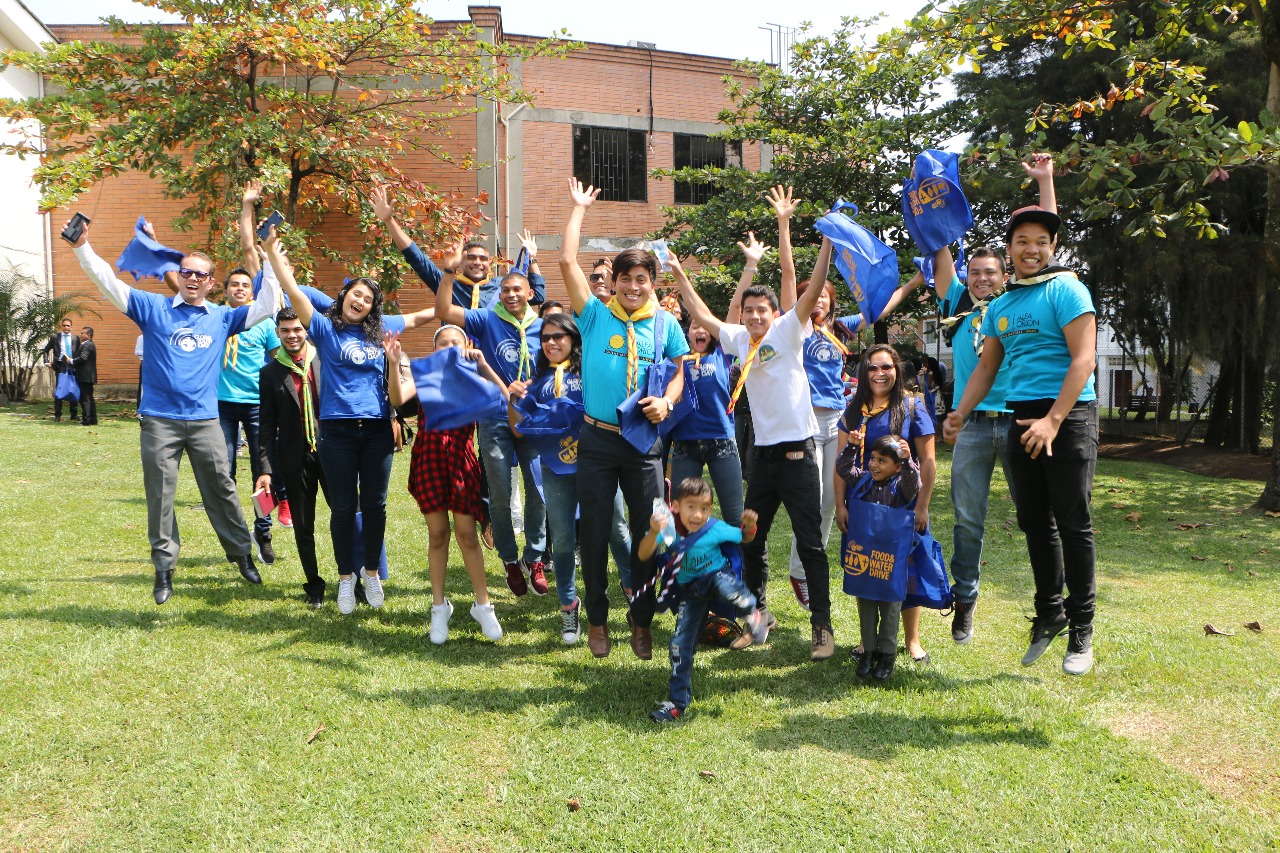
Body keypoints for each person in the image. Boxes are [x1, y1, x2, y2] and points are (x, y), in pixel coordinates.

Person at [67, 219, 279, 604]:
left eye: (201, 274)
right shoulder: (152, 308)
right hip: (160, 421)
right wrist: (83, 246)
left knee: (223, 489)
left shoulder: (222, 317)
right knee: (161, 496)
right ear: (179, 276)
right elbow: (107, 283)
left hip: (205, 422)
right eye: (187, 272)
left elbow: (268, 304)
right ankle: (164, 570)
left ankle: (242, 555)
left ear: (211, 282)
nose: (193, 279)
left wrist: (274, 260)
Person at [897, 153, 1056, 645]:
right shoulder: (956, 303)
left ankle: (1049, 602)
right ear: (968, 276)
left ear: (1006, 275)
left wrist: (1045, 182)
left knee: (1037, 517)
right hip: (970, 426)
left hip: (1016, 422)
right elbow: (940, 240)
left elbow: (1047, 236)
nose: (984, 278)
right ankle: (965, 600)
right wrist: (928, 194)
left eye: (992, 272)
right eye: (977, 272)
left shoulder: (1019, 300)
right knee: (969, 518)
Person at [672, 190, 837, 661]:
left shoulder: (789, 329)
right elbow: (701, 314)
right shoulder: (738, 338)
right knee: (752, 540)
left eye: (762, 310)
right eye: (749, 311)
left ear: (773, 313)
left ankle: (821, 627)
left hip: (800, 454)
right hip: (761, 458)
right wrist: (681, 273)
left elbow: (799, 281)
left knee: (810, 545)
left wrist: (807, 235)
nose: (756, 316)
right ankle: (758, 618)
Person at [944, 191, 1099, 677]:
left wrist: (1055, 419)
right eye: (1021, 241)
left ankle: (1081, 627)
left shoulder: (1067, 289)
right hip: (1021, 416)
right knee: (1035, 521)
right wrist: (960, 413)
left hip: (1069, 416)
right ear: (1009, 249)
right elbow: (987, 367)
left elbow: (1084, 359)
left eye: (1040, 241)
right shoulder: (1001, 305)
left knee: (1073, 520)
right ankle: (1049, 611)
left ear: (1052, 246)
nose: (1031, 249)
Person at [263, 227, 434, 615]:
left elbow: (430, 313)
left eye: (368, 298)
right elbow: (293, 292)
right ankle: (345, 579)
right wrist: (274, 255)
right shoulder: (324, 329)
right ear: (343, 298)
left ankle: (370, 572)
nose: (361, 300)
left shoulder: (384, 329)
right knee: (341, 509)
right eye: (356, 293)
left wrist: (451, 284)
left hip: (376, 430)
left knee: (375, 507)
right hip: (337, 432)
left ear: (374, 308)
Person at [558, 177, 688, 660]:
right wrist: (578, 210)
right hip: (597, 440)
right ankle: (596, 618)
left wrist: (668, 402)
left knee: (648, 532)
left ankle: (641, 618)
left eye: (642, 280)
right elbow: (568, 261)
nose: (634, 287)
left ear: (652, 283)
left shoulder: (665, 323)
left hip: (644, 442)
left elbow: (678, 372)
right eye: (626, 279)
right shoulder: (594, 316)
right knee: (592, 531)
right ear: (614, 281)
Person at [434, 262, 550, 599]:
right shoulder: (486, 319)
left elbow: (560, 361)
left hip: (533, 420)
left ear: (531, 294)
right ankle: (510, 560)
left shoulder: (543, 327)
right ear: (499, 294)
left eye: (518, 290)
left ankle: (535, 557)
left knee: (538, 491)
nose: (511, 295)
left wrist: (537, 385)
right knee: (499, 494)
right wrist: (447, 272)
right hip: (495, 418)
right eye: (506, 290)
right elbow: (443, 309)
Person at [387, 325, 505, 644]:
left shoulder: (472, 375)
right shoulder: (425, 373)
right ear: (434, 347)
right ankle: (439, 607)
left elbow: (503, 399)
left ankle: (483, 605)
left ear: (466, 344)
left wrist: (482, 364)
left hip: (461, 458)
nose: (450, 347)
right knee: (438, 535)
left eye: (456, 342)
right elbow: (399, 399)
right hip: (428, 457)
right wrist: (394, 362)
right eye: (443, 343)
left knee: (467, 535)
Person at [836, 344, 937, 664]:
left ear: (897, 370)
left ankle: (911, 640)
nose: (880, 374)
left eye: (886, 367)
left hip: (903, 503)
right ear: (864, 372)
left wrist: (921, 506)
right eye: (873, 368)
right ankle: (868, 642)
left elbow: (929, 461)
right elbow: (842, 461)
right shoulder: (854, 409)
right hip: (863, 504)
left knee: (904, 571)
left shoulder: (911, 407)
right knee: (867, 565)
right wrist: (841, 505)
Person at [638, 476, 761, 722]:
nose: (697, 514)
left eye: (704, 508)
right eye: (691, 507)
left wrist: (749, 527)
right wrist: (653, 532)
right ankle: (676, 702)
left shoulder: (715, 528)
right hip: (689, 593)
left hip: (717, 577)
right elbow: (643, 554)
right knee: (679, 644)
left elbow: (744, 538)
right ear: (675, 506)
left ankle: (751, 610)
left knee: (726, 586)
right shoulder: (669, 530)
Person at [507, 311, 586, 644]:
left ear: (573, 339)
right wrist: (514, 398)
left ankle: (630, 594)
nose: (552, 342)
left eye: (559, 336)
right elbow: (518, 430)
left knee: (615, 531)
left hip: (597, 467)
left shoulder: (591, 373)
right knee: (564, 540)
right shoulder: (536, 383)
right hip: (556, 471)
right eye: (546, 338)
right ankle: (569, 605)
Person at [254, 308, 329, 607]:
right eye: (285, 330)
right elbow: (267, 424)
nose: (292, 335)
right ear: (278, 333)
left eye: (297, 329)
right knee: (302, 525)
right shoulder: (270, 372)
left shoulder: (325, 359)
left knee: (347, 517)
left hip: (333, 453)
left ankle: (353, 580)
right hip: (295, 458)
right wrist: (265, 469)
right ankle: (314, 586)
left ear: (306, 330)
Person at [369, 185, 546, 309]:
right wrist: (389, 221)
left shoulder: (502, 287)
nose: (477, 262)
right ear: (461, 261)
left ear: (490, 264)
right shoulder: (447, 283)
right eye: (471, 257)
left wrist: (532, 258)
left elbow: (537, 296)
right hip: (455, 358)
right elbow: (416, 258)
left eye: (483, 259)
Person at [835, 434, 921, 683]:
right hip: (865, 557)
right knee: (868, 605)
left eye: (882, 461)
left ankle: (887, 655)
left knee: (891, 608)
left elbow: (914, 484)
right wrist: (852, 446)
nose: (874, 465)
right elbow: (842, 468)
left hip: (891, 561)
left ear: (896, 466)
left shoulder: (901, 487)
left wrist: (908, 461)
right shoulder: (864, 480)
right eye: (872, 458)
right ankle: (868, 653)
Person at [43, 317, 80, 423]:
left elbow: (78, 352)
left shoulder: (75, 338)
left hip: (72, 366)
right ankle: (57, 415)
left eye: (68, 325)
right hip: (60, 366)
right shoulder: (55, 337)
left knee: (73, 389)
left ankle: (74, 414)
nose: (66, 327)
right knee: (60, 390)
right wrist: (46, 362)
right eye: (64, 325)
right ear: (62, 326)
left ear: (71, 327)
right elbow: (46, 350)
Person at [74, 326, 98, 425]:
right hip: (88, 376)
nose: (81, 335)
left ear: (88, 335)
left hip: (85, 376)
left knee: (85, 398)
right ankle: (93, 419)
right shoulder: (87, 344)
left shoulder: (87, 345)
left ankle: (86, 420)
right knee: (89, 398)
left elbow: (83, 358)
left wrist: (71, 361)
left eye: (83, 333)